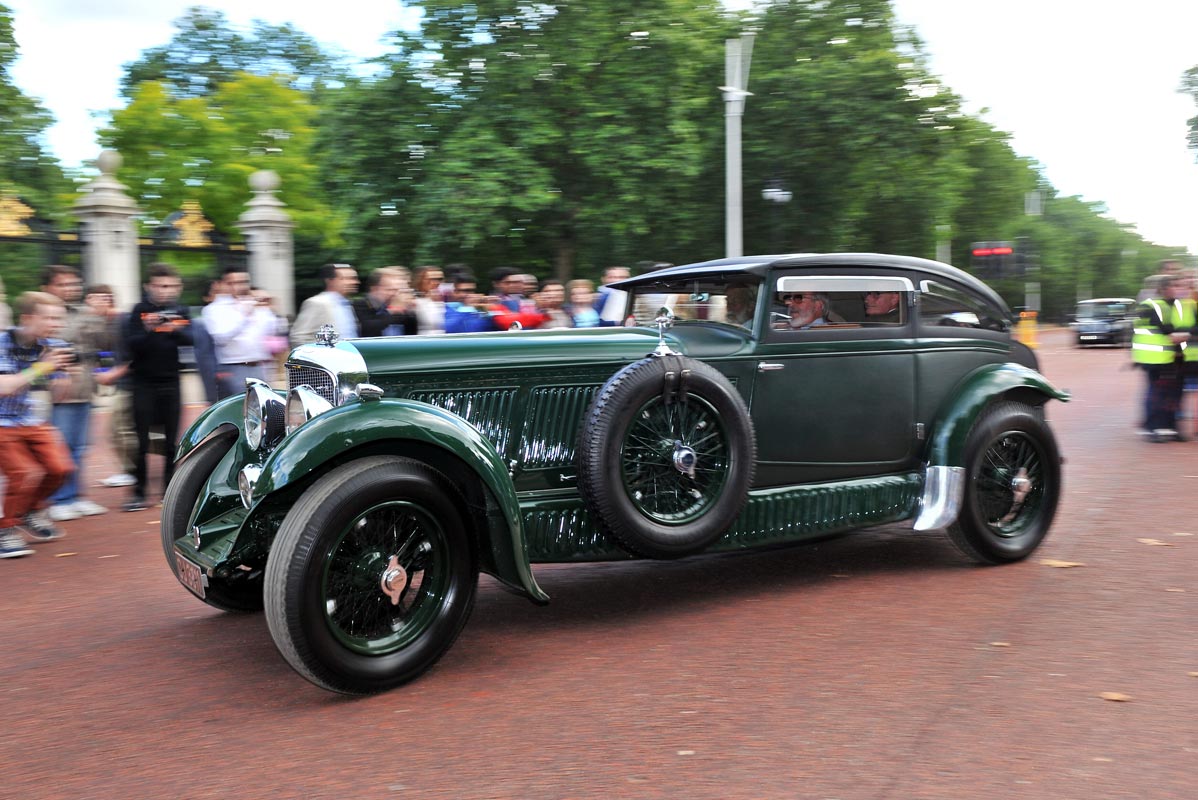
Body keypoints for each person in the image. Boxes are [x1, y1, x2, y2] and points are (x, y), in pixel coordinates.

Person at [0, 292, 78, 557]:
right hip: (2, 421)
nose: (56, 325)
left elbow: (58, 394)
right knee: (23, 472)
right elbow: (5, 386)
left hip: (30, 418)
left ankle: (30, 510)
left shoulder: (51, 345)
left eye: (59, 319)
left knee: (61, 469)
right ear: (27, 318)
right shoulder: (3, 343)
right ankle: (5, 530)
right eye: (49, 318)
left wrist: (63, 377)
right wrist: (44, 367)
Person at [40, 266, 108, 521]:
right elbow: (58, 340)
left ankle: (75, 496)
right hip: (59, 392)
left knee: (79, 447)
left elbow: (103, 342)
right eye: (63, 284)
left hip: (84, 388)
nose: (70, 289)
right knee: (61, 447)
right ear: (47, 287)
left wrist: (100, 317)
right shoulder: (45, 313)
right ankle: (59, 499)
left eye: (73, 284)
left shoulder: (82, 312)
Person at [123, 263, 191, 512]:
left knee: (171, 442)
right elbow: (132, 345)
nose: (165, 291)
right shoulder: (138, 311)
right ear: (148, 286)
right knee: (141, 441)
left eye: (170, 286)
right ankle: (138, 493)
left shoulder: (181, 310)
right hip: (143, 384)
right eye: (160, 286)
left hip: (171, 382)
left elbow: (191, 340)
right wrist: (149, 329)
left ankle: (168, 491)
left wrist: (175, 328)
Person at [1132, 274, 1197, 442]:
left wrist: (1185, 335)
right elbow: (1164, 328)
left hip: (1175, 357)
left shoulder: (1182, 305)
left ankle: (1170, 428)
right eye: (1176, 285)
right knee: (1156, 394)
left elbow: (1189, 327)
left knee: (1174, 394)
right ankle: (1152, 428)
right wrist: (1181, 335)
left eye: (1181, 286)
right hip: (1155, 357)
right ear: (1163, 289)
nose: (1180, 289)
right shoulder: (1152, 305)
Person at [203, 265, 280, 399]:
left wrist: (267, 307)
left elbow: (271, 330)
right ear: (224, 284)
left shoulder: (254, 303)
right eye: (234, 283)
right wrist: (245, 316)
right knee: (237, 407)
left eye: (244, 282)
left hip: (259, 365)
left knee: (263, 406)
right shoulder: (215, 309)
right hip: (234, 367)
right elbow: (221, 337)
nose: (241, 286)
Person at [290, 263, 360, 346]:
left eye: (355, 278)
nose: (355, 282)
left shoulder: (347, 305)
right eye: (347, 278)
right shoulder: (317, 303)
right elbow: (299, 337)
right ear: (330, 281)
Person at [354, 267, 418, 337]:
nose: (395, 294)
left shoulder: (394, 306)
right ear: (374, 289)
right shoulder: (360, 305)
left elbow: (412, 333)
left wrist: (409, 310)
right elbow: (368, 328)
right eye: (389, 289)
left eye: (398, 290)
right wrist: (394, 310)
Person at [189, 277, 222, 404]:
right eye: (216, 292)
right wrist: (216, 373)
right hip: (217, 373)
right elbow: (204, 354)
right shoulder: (201, 322)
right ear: (206, 298)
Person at [412, 266, 446, 335]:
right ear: (421, 280)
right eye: (431, 279)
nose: (436, 282)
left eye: (439, 279)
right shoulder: (413, 300)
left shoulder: (444, 301)